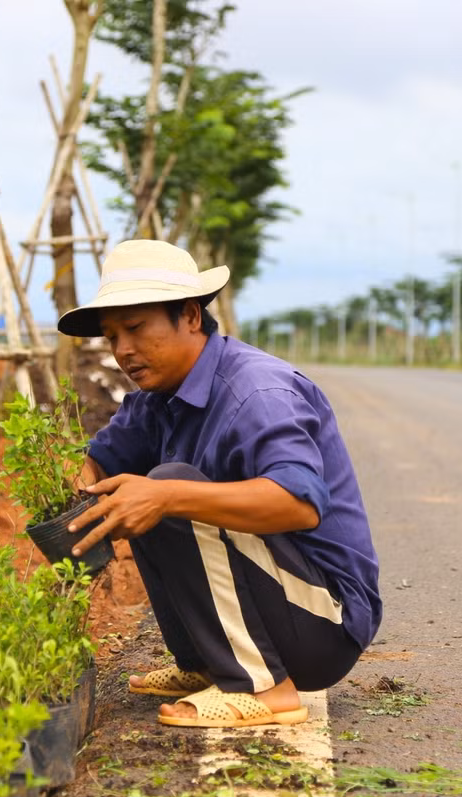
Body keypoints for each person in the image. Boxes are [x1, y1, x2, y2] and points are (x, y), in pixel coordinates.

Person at [56, 238, 381, 729]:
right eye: (111, 335)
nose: (123, 350)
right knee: (147, 488)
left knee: (166, 486)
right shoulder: (156, 395)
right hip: (280, 606)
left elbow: (300, 505)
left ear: (189, 316)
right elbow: (99, 462)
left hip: (324, 622)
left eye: (137, 328)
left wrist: (166, 495)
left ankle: (264, 687)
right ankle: (207, 663)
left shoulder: (256, 392)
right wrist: (79, 491)